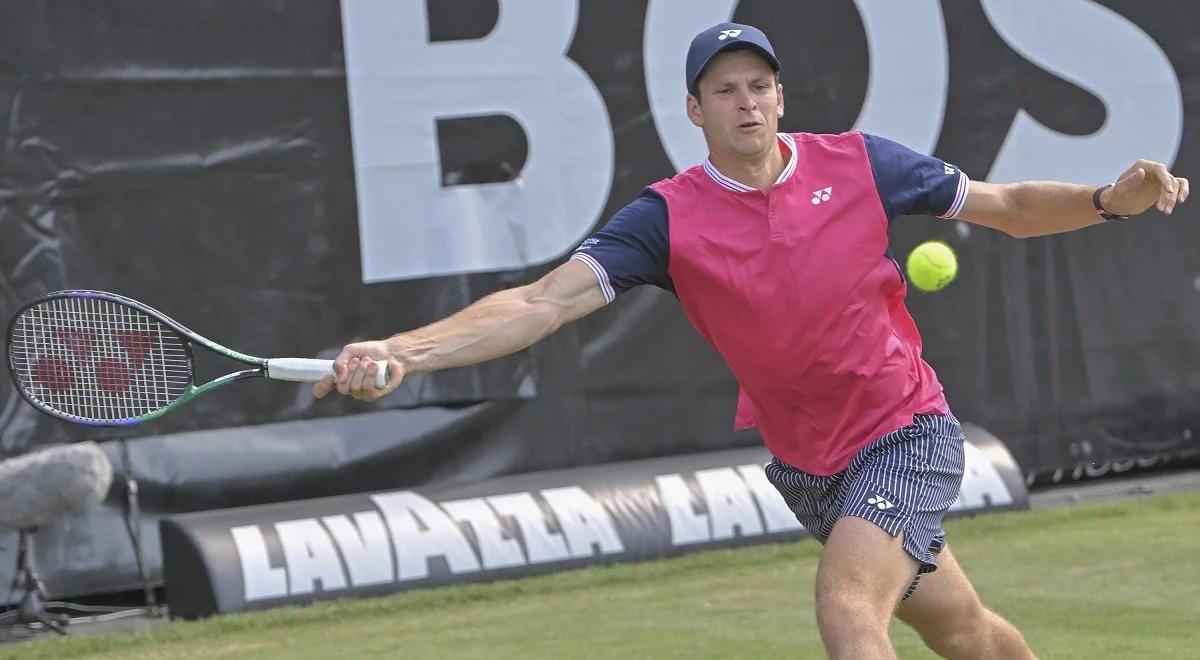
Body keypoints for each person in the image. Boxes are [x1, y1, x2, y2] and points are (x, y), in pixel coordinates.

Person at [314, 22, 1188, 660]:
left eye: (759, 85)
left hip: (905, 429)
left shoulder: (859, 163)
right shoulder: (664, 218)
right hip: (809, 464)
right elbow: (542, 303)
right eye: (725, 89)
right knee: (963, 632)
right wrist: (407, 349)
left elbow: (1006, 208)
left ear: (780, 97)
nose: (747, 101)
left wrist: (1107, 199)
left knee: (848, 611)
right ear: (694, 109)